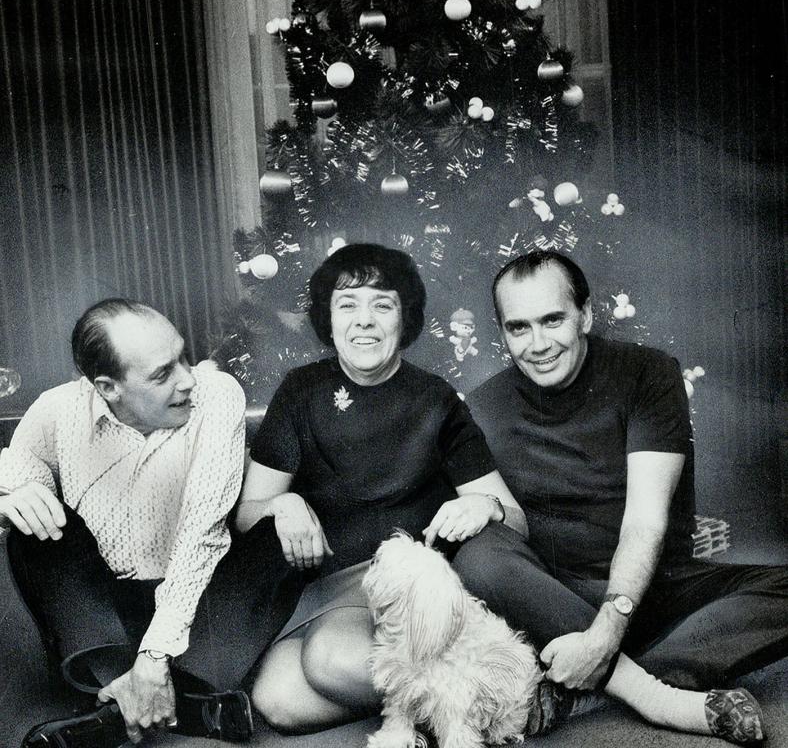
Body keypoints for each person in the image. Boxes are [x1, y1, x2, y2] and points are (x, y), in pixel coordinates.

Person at [453, 250, 788, 745]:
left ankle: (585, 679)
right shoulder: (482, 406)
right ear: (503, 334)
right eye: (519, 328)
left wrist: (606, 633)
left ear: (585, 316)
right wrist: (489, 508)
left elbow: (646, 522)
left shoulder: (647, 374)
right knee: (479, 555)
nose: (539, 344)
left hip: (653, 588)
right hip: (549, 596)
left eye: (553, 320)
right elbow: (506, 535)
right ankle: (650, 690)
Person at [234, 243, 529, 734]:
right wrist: (282, 504)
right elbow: (248, 516)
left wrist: (485, 505)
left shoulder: (435, 400)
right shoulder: (300, 391)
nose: (364, 320)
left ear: (404, 319)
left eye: (382, 304)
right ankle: (470, 699)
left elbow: (515, 520)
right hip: (323, 589)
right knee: (278, 700)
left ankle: (477, 699)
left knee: (329, 662)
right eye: (347, 304)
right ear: (328, 321)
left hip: (406, 590)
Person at [0, 298, 300, 748]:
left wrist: (155, 655)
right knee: (33, 524)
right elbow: (17, 479)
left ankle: (112, 718)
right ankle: (193, 708)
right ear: (108, 387)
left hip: (201, 605)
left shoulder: (216, 394)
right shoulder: (55, 411)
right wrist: (11, 497)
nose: (186, 379)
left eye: (182, 356)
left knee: (280, 538)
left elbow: (203, 531)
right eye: (162, 374)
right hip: (106, 617)